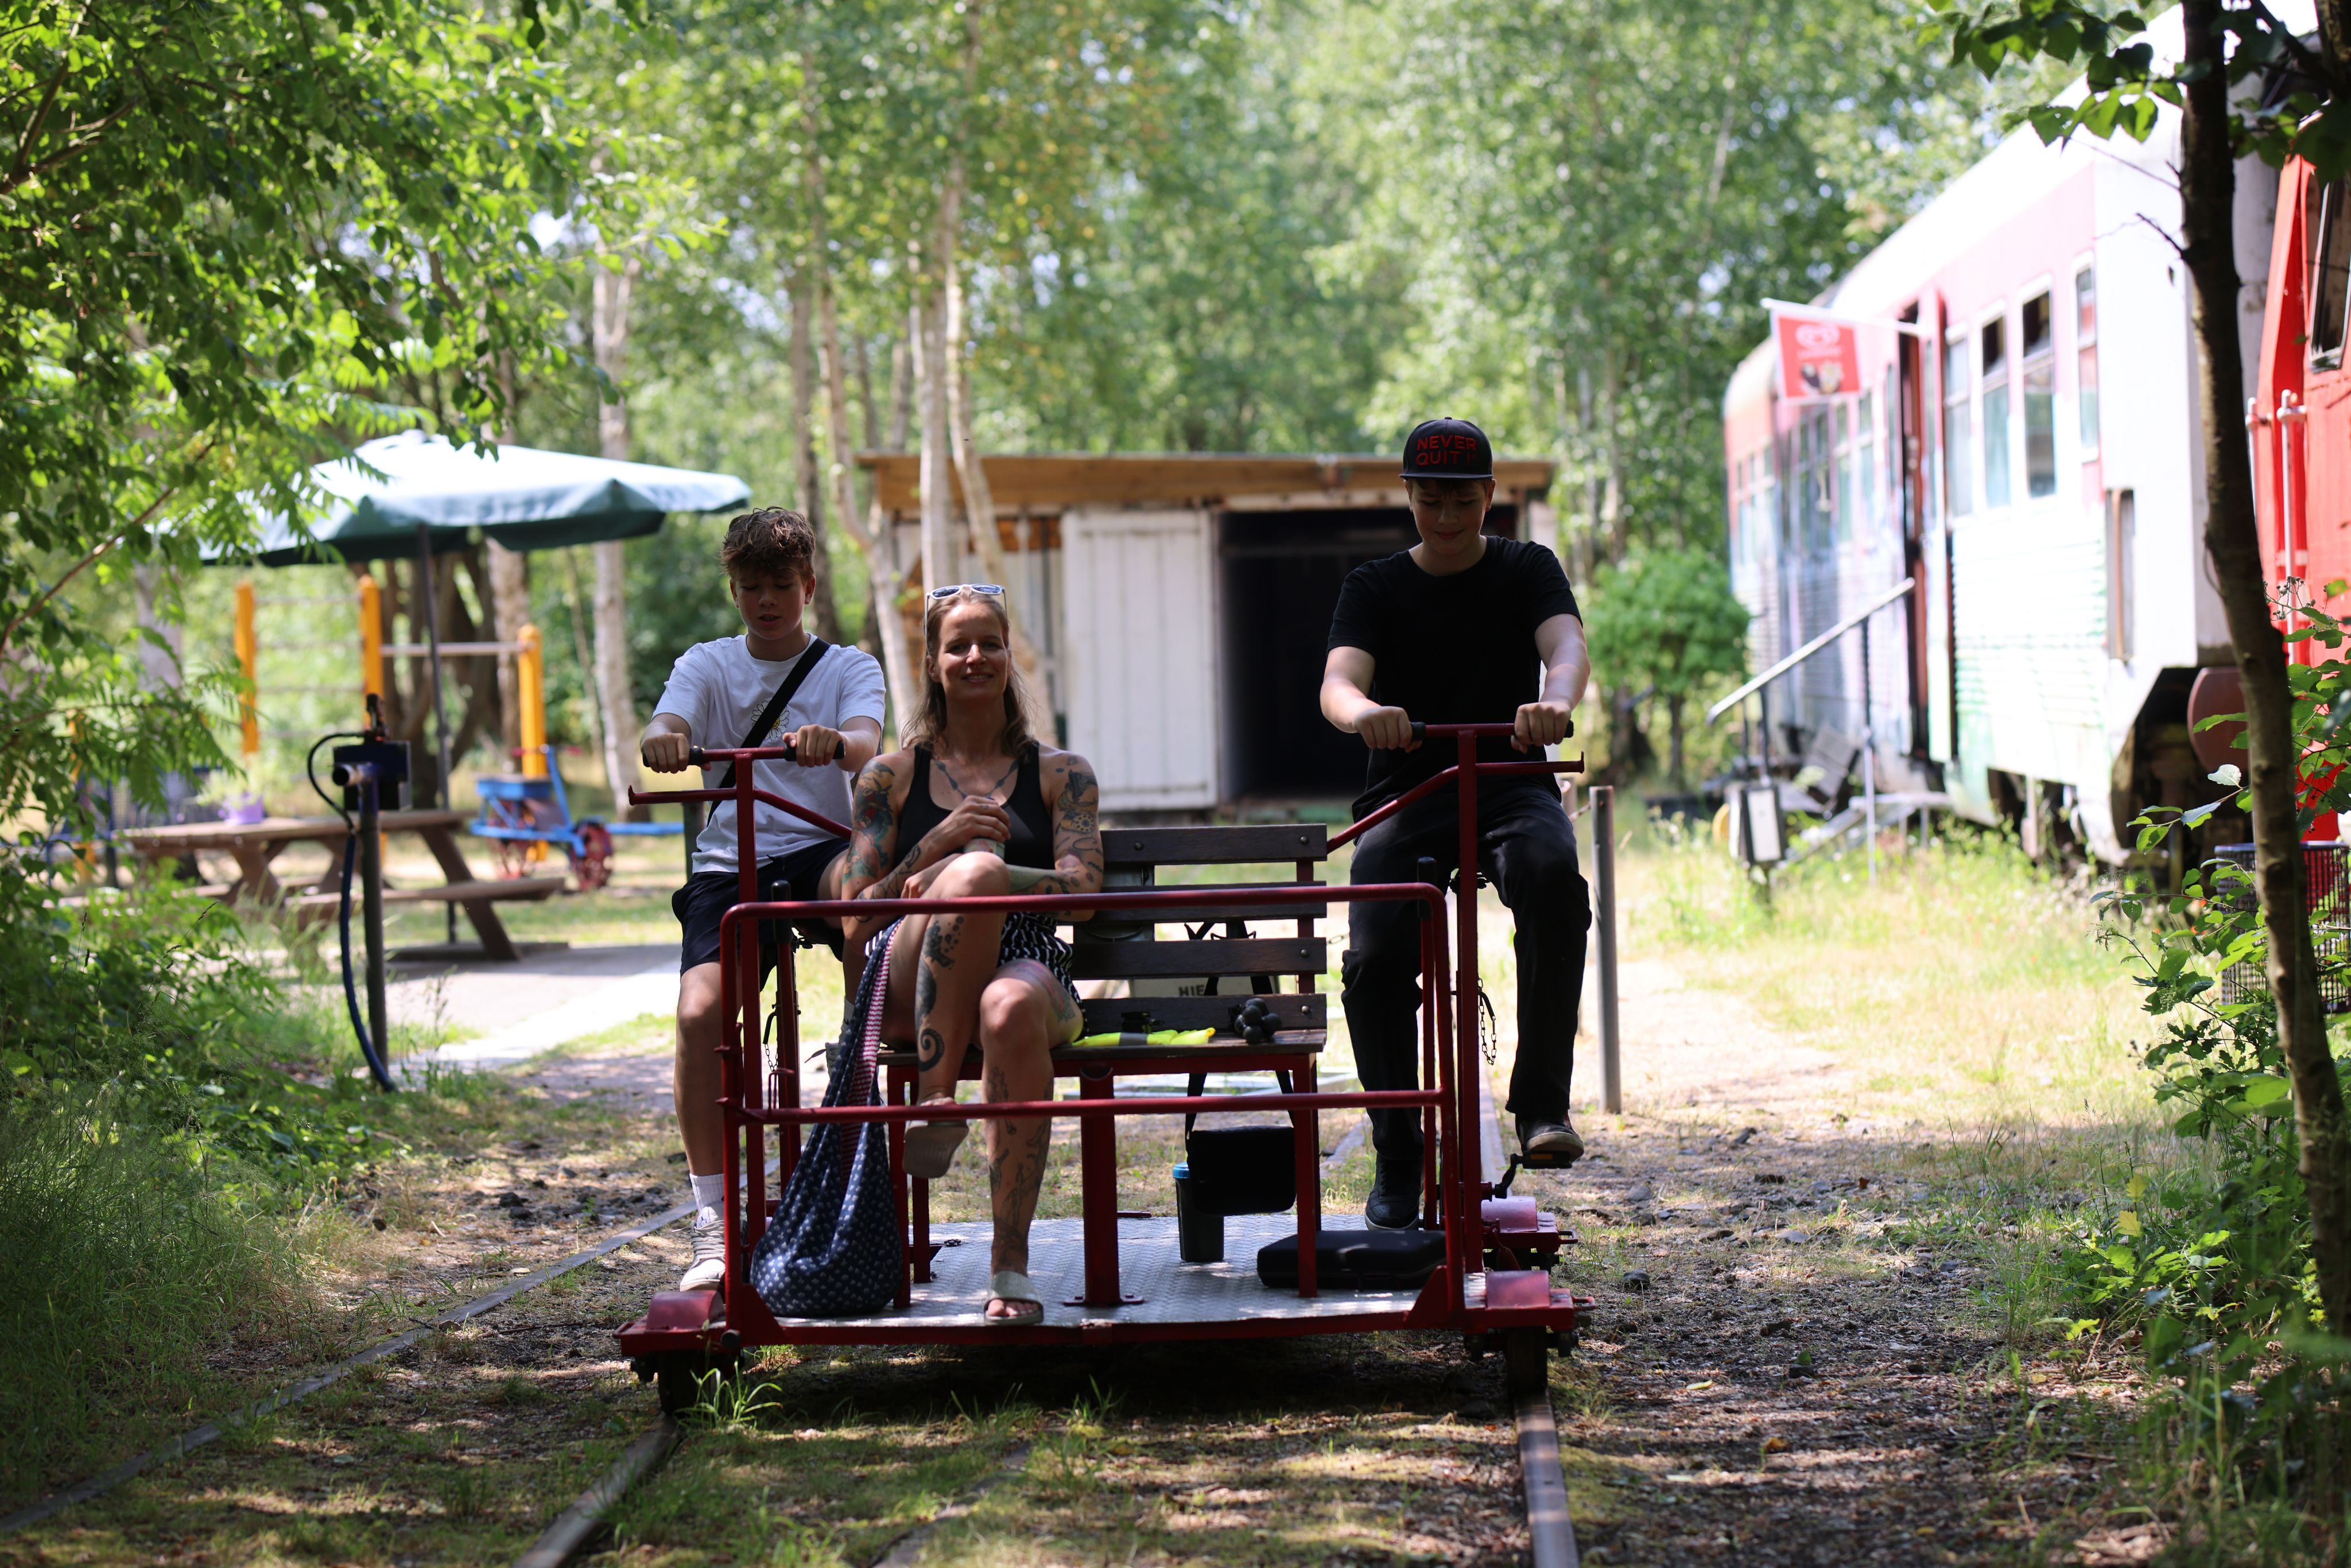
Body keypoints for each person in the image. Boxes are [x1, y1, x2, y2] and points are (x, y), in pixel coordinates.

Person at [1321, 416, 1593, 1231]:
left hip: (1511, 783)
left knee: (1554, 884)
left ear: (1489, 499)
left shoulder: (1527, 569)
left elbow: (1566, 645)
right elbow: (1338, 682)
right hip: (1411, 788)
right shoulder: (1373, 587)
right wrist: (1367, 714)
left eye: (1463, 500)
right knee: (1373, 953)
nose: (1446, 517)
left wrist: (1556, 703)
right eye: (1430, 500)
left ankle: (1543, 1105)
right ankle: (1398, 1147)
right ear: (1409, 497)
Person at [839, 584, 1103, 1325]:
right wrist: (934, 850)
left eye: (989, 642)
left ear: (1009, 652)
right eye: (958, 644)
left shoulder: (1062, 773)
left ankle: (1009, 1266)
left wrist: (982, 873)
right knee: (970, 871)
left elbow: (1082, 894)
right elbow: (854, 922)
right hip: (909, 964)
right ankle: (934, 1098)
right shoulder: (888, 779)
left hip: (1024, 960)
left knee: (1010, 1002)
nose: (975, 656)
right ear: (931, 661)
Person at [640, 507, 886, 1293]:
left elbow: (867, 742)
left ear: (808, 585)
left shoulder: (849, 666)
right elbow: (669, 719)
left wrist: (836, 744)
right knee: (697, 1015)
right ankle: (715, 1217)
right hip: (730, 859)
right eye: (751, 587)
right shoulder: (707, 664)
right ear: (734, 590)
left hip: (820, 844)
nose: (767, 600)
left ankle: (859, 1057)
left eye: (782, 585)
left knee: (863, 897)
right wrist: (667, 739)